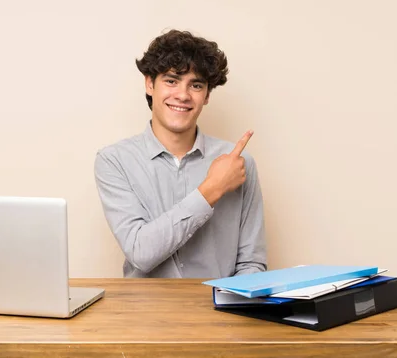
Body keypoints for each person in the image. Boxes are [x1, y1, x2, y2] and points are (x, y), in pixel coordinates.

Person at [94, 29, 267, 278]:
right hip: (144, 313)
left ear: (206, 95)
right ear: (149, 84)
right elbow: (140, 253)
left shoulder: (239, 164)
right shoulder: (114, 161)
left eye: (196, 85)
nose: (183, 95)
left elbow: (252, 263)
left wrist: (230, 309)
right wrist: (212, 188)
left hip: (219, 311)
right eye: (171, 80)